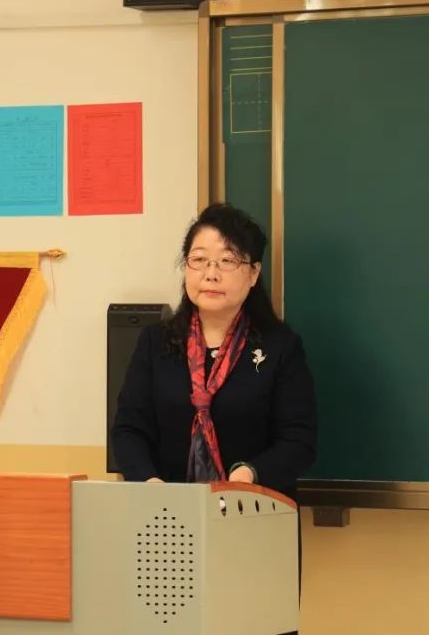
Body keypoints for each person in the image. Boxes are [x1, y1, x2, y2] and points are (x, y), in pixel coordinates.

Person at [111, 203, 317, 499]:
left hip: (254, 508)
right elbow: (128, 430)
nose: (211, 274)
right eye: (199, 260)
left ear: (254, 273)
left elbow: (299, 441)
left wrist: (250, 474)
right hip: (165, 512)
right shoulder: (155, 342)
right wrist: (149, 482)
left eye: (227, 261)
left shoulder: (280, 347)